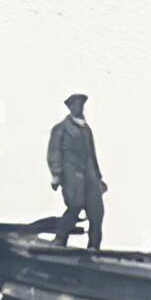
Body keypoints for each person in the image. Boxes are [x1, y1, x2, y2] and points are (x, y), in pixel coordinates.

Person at [47, 93, 107, 249]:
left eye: (81, 105)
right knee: (75, 206)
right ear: (70, 107)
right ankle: (60, 240)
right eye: (76, 104)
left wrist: (99, 179)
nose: (79, 107)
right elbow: (54, 152)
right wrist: (56, 174)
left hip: (90, 177)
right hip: (71, 175)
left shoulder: (86, 130)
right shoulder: (61, 128)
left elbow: (92, 155)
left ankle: (94, 249)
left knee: (97, 212)